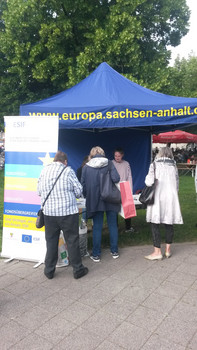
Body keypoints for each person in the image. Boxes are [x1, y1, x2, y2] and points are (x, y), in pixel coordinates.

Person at [37, 150, 88, 279]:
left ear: (55, 160)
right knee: (72, 241)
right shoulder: (68, 171)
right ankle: (78, 270)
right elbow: (78, 191)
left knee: (51, 242)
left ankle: (49, 271)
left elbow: (39, 191)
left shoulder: (44, 171)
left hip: (49, 213)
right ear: (65, 161)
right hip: (67, 213)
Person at [81, 146, 120, 262]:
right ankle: (114, 251)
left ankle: (96, 254)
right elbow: (116, 178)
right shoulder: (109, 163)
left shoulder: (86, 167)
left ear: (91, 154)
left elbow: (83, 186)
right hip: (110, 198)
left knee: (97, 227)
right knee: (112, 225)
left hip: (94, 200)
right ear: (102, 153)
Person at [144, 147, 183, 260]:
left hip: (157, 197)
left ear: (159, 154)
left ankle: (157, 252)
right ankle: (167, 250)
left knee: (155, 223)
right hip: (171, 197)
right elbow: (177, 184)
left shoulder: (154, 165)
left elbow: (149, 182)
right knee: (169, 222)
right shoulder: (174, 166)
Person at [112, 147, 134, 232]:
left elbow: (129, 176)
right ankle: (115, 227)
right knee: (114, 208)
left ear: (122, 155)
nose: (117, 157)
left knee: (127, 207)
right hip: (114, 187)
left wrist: (130, 189)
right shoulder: (111, 163)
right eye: (115, 156)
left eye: (119, 156)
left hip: (125, 186)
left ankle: (128, 227)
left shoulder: (126, 163)